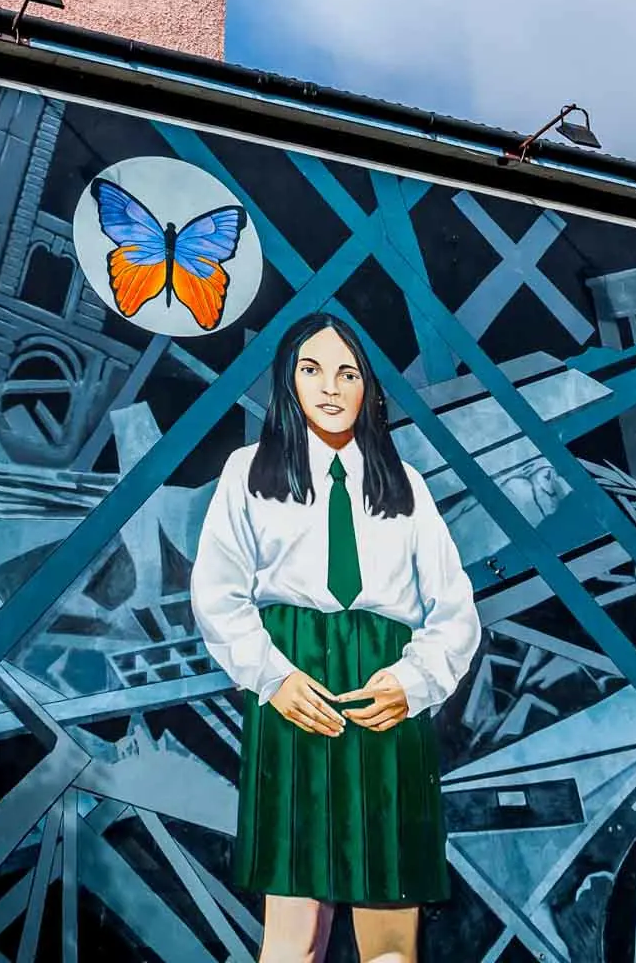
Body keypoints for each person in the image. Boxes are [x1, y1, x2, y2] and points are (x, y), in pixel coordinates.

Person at [192, 312, 482, 963]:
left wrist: (412, 684)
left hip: (386, 695)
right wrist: (273, 678)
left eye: (348, 372)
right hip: (297, 691)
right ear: (287, 383)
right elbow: (217, 592)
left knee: (389, 945)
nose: (330, 386)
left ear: (369, 390)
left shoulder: (406, 487)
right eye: (312, 369)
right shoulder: (249, 472)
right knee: (293, 941)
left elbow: (455, 610)